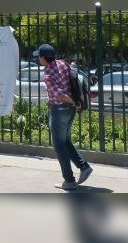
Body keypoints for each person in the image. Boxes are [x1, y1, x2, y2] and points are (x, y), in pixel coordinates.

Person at [34, 43, 93, 190]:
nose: (38, 59)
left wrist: (73, 102)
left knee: (59, 146)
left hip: (59, 110)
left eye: (39, 56)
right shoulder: (63, 64)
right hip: (69, 110)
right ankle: (84, 167)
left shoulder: (47, 74)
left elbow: (60, 94)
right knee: (65, 141)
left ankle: (69, 180)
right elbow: (70, 83)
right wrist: (75, 103)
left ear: (43, 57)